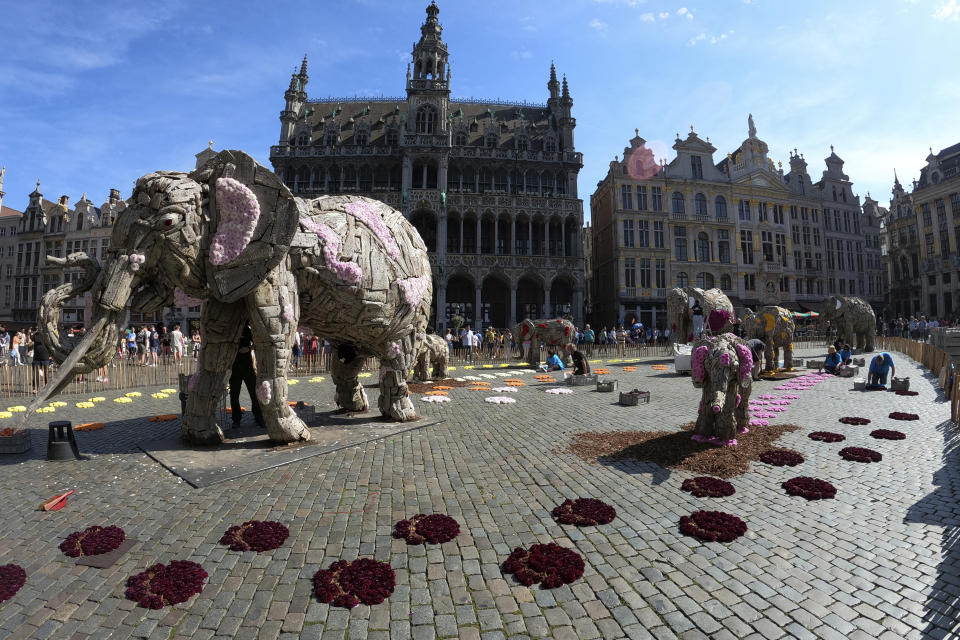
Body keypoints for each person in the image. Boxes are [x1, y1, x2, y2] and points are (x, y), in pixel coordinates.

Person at [229, 325, 265, 428]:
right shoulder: (231, 329)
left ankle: (258, 417)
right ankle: (236, 420)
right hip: (234, 368)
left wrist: (248, 348)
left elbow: (256, 343)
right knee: (234, 395)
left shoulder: (247, 329)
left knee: (254, 394)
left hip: (248, 367)